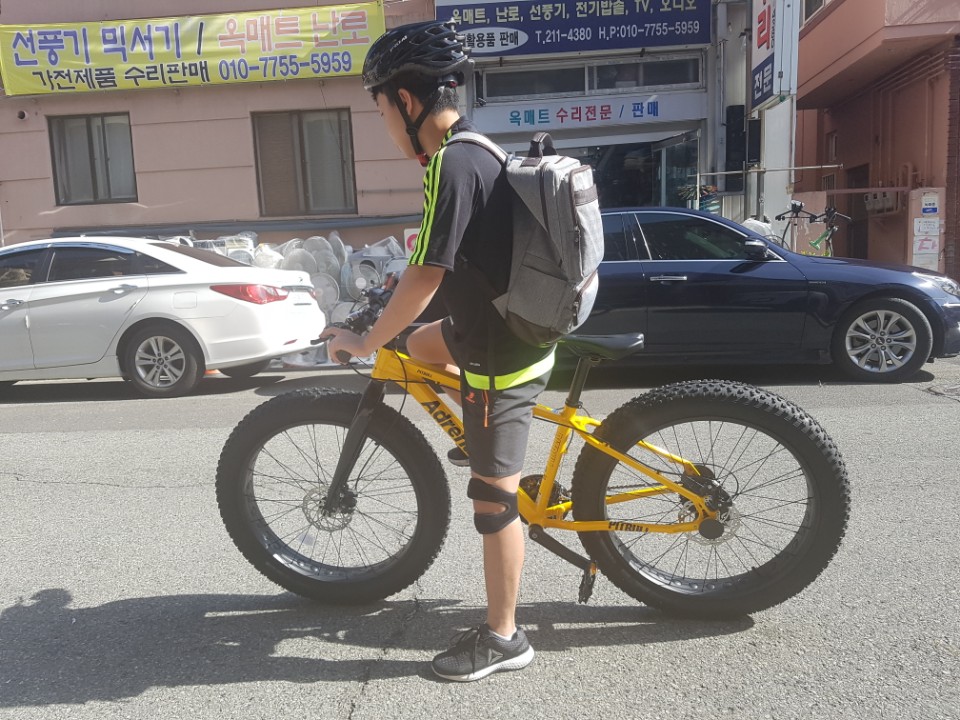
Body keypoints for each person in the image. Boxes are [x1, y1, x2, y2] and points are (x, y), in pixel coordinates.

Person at [323, 20, 555, 682]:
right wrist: (391, 305)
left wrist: (366, 339)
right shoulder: (471, 149)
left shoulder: (450, 164)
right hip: (491, 324)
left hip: (499, 353)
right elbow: (439, 255)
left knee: (494, 503)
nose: (384, 126)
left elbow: (428, 274)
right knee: (420, 344)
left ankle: (505, 638)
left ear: (405, 100)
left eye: (380, 111)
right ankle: (474, 431)